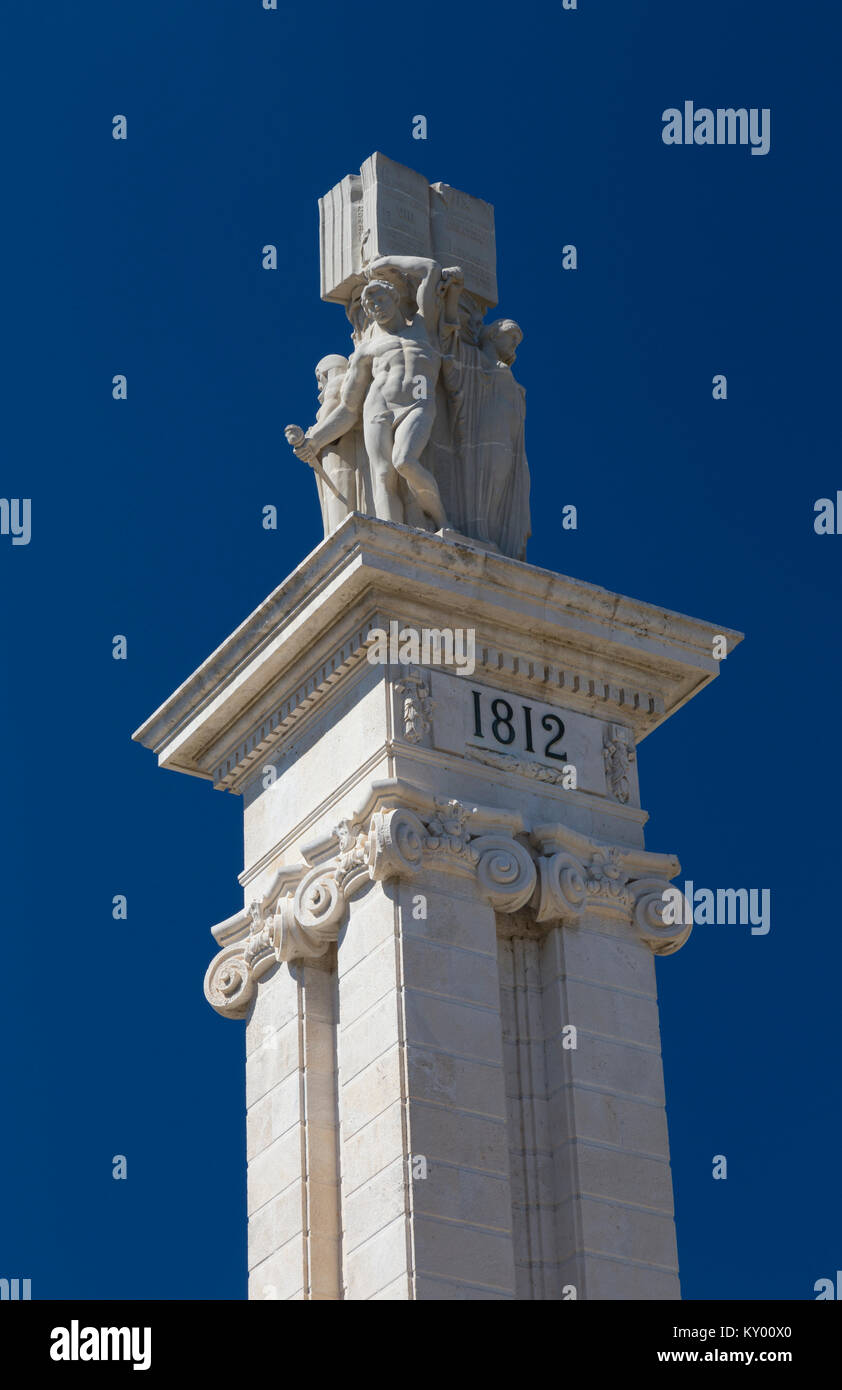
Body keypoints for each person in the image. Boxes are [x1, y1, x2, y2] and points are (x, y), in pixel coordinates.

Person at [285, 255, 452, 531]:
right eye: (371, 305)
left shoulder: (423, 327)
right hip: (379, 405)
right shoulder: (366, 349)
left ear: (395, 299)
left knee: (405, 461)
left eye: (381, 301)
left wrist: (385, 263)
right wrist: (315, 440)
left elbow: (431, 270)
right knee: (383, 473)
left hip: (418, 403)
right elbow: (349, 409)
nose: (376, 308)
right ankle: (392, 533)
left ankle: (444, 522)